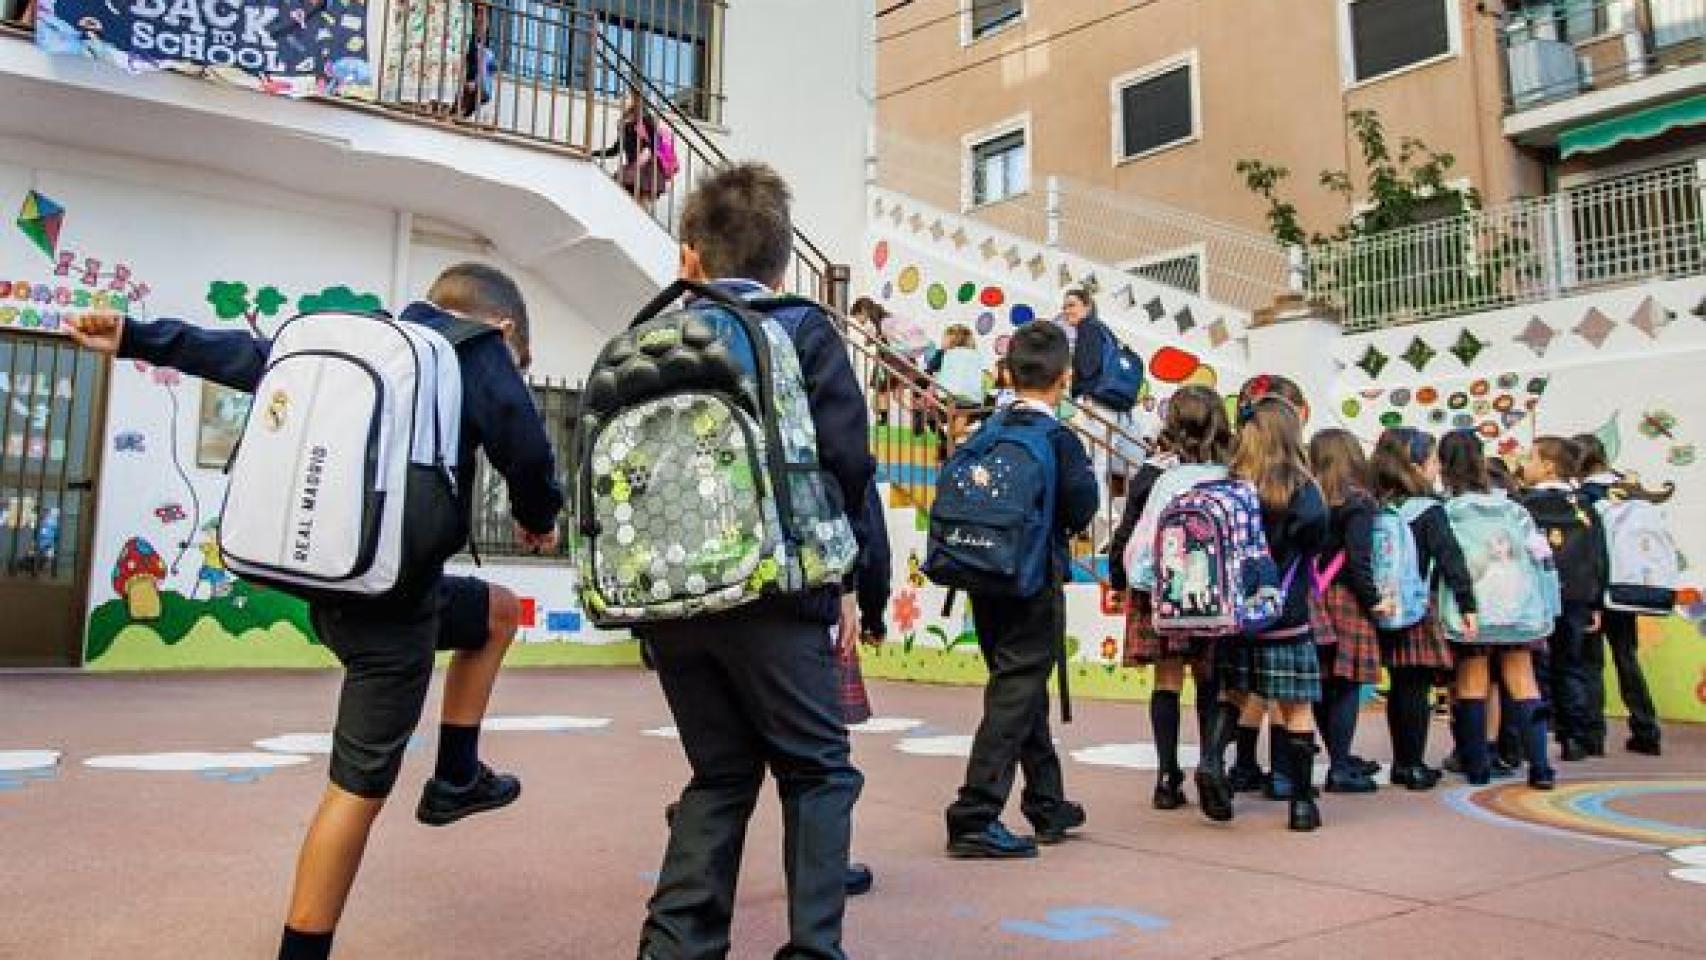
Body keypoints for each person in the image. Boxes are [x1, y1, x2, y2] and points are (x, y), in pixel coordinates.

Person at [69, 264, 564, 960]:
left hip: (335, 588)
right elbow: (529, 450)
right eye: (523, 360)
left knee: (498, 612)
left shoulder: (362, 343)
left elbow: (240, 357)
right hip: (391, 615)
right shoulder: (477, 353)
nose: (516, 371)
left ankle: (457, 776)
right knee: (354, 793)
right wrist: (538, 518)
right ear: (503, 328)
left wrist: (133, 337)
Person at [636, 163, 872, 960]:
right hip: (776, 588)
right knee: (819, 771)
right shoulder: (802, 328)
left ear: (689, 258)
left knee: (721, 772)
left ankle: (674, 949)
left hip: (666, 595)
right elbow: (845, 462)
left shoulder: (651, 335)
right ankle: (812, 950)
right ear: (781, 264)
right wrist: (846, 579)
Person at [944, 321, 1099, 859]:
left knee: (1019, 682)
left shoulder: (987, 429)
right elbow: (1082, 509)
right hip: (1033, 578)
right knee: (1016, 690)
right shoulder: (1058, 439)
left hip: (981, 573)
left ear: (1006, 373)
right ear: (1066, 377)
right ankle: (974, 814)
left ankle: (1047, 801)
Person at [1107, 385, 1230, 811]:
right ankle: (1213, 764)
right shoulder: (1230, 472)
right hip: (1217, 592)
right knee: (1212, 683)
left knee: (1167, 681)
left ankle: (1166, 776)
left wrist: (1120, 578)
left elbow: (1129, 531)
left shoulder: (1155, 472)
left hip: (1163, 591)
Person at [1438, 430, 1557, 790]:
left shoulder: (1449, 511)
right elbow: (1542, 557)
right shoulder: (1515, 510)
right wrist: (1550, 606)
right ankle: (1540, 767)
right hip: (1520, 609)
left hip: (1472, 611)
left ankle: (1477, 766)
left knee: (1472, 680)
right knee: (1523, 681)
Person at [1369, 428, 1474, 791]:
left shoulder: (1376, 504)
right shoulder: (1429, 510)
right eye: (1432, 461)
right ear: (1415, 465)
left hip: (1383, 603)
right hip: (1417, 605)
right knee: (1414, 688)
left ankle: (1402, 761)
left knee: (1397, 687)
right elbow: (1450, 557)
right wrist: (1467, 602)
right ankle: (1411, 764)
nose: (1436, 469)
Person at [1305, 429, 1392, 794]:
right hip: (1346, 600)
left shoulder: (1309, 497)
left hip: (1312, 596)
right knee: (1346, 686)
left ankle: (1339, 756)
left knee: (1323, 684)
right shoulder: (1358, 502)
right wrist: (1374, 601)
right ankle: (1339, 765)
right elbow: (1359, 561)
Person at [1519, 437, 1610, 763]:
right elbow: (1599, 553)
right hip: (1576, 596)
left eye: (1530, 458)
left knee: (1534, 670)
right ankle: (1575, 738)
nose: (1523, 464)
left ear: (1548, 466)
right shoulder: (1583, 505)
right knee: (1571, 665)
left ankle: (1535, 741)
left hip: (1538, 596)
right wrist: (1596, 601)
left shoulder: (1525, 505)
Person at [1573, 433, 1663, 756]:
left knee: (1590, 663)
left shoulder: (1585, 496)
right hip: (1628, 585)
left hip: (1595, 587)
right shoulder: (1631, 490)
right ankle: (1645, 728)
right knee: (1627, 657)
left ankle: (1592, 735)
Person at [596, 89, 667, 201]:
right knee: (627, 197)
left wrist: (647, 151)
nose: (623, 99)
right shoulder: (625, 124)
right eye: (622, 97)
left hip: (647, 167)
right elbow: (615, 150)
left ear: (635, 100)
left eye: (626, 97)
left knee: (639, 202)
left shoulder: (645, 118)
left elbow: (656, 141)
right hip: (635, 167)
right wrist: (594, 153)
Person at [933, 324, 986, 448]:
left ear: (951, 339)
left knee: (943, 416)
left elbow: (938, 371)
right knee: (961, 417)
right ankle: (957, 442)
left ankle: (953, 444)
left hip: (950, 394)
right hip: (972, 397)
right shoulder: (975, 355)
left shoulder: (947, 354)